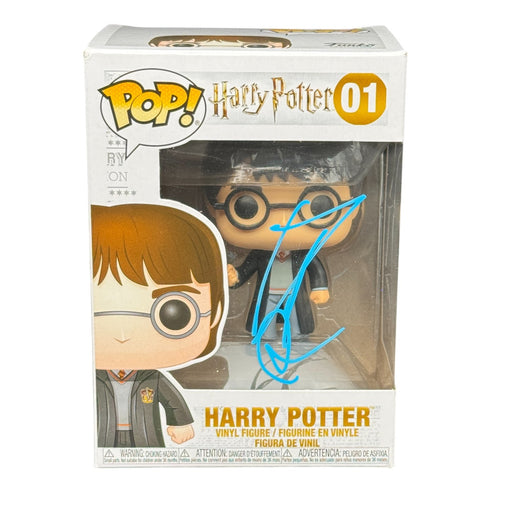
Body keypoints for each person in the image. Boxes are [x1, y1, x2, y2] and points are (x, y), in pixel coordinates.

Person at [92, 203, 225, 447]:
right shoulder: (92, 377)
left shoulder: (151, 376)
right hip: (101, 437)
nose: (122, 334)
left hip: (146, 438)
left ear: (215, 313)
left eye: (174, 313)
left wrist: (180, 422)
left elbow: (173, 401)